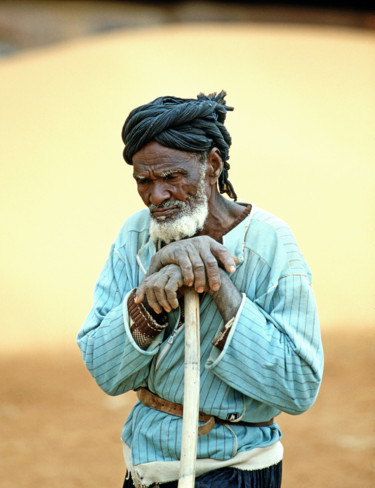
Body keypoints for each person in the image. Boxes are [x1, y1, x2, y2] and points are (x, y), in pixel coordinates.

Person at [77, 91, 324, 488]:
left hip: (235, 469)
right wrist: (152, 294)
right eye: (144, 180)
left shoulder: (268, 242)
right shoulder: (136, 236)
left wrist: (218, 282)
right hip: (145, 466)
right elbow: (105, 371)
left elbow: (298, 387)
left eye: (172, 177)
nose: (156, 196)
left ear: (211, 165)